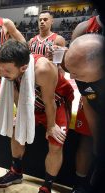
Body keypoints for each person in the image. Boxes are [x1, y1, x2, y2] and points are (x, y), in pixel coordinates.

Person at [0, 39, 74, 193]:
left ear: (24, 68)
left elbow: (49, 101)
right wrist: (20, 115)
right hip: (30, 103)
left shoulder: (42, 69)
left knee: (55, 142)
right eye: (0, 70)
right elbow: (16, 93)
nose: (3, 75)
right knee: (16, 131)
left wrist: (51, 126)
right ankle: (16, 171)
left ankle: (47, 185)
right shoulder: (5, 66)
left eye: (7, 72)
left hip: (56, 104)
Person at [64, 34, 104, 193]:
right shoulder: (81, 74)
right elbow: (88, 102)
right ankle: (80, 185)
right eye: (70, 71)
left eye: (78, 74)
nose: (72, 78)